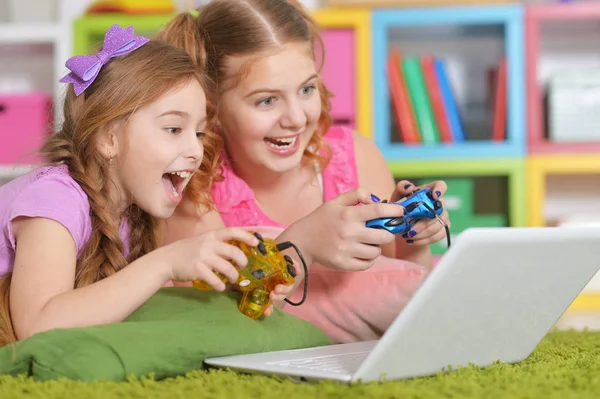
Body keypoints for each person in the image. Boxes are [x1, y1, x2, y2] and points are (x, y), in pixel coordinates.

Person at [156, 0, 451, 341]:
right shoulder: (194, 187)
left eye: (306, 89)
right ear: (212, 106)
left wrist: (413, 237)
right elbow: (220, 325)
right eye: (267, 100)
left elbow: (406, 298)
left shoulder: (353, 155)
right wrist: (303, 244)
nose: (296, 118)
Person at [0, 24, 276, 347]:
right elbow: (38, 325)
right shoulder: (55, 200)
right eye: (174, 129)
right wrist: (165, 263)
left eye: (199, 133)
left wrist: (231, 283)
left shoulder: (132, 214)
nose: (195, 150)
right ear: (108, 138)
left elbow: (124, 307)